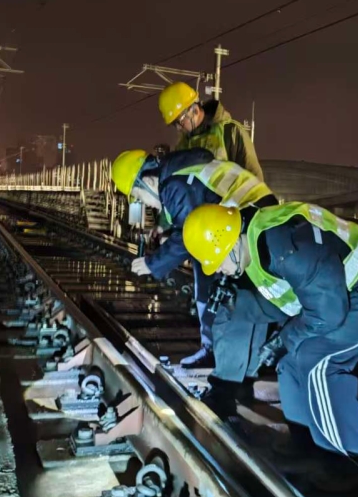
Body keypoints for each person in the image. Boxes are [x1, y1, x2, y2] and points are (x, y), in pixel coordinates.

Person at [181, 200, 358, 458]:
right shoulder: (257, 247)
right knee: (289, 364)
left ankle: (348, 460)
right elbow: (289, 300)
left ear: (232, 243)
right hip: (349, 294)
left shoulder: (286, 247)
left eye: (219, 261)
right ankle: (304, 445)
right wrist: (239, 307)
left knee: (317, 359)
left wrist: (283, 339)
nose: (218, 269)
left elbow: (327, 313)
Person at [110, 147, 276, 367]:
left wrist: (152, 263)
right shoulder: (179, 171)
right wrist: (164, 228)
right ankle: (246, 358)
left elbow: (186, 235)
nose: (145, 204)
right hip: (256, 213)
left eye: (139, 196)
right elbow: (190, 211)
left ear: (148, 181)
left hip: (244, 219)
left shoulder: (173, 185)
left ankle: (220, 357)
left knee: (219, 289)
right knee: (246, 292)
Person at [158, 82, 263, 181]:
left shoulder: (230, 132)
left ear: (195, 110)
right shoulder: (183, 145)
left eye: (180, 121)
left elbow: (254, 179)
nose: (178, 128)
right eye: (174, 124)